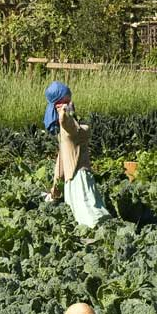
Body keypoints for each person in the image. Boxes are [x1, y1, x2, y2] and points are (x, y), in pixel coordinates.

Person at [44, 81, 111, 228]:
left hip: (73, 180)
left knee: (84, 218)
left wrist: (54, 191)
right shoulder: (67, 126)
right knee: (93, 216)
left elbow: (60, 166)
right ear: (58, 105)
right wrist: (65, 111)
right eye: (67, 101)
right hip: (79, 178)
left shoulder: (66, 130)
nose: (72, 103)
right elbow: (64, 120)